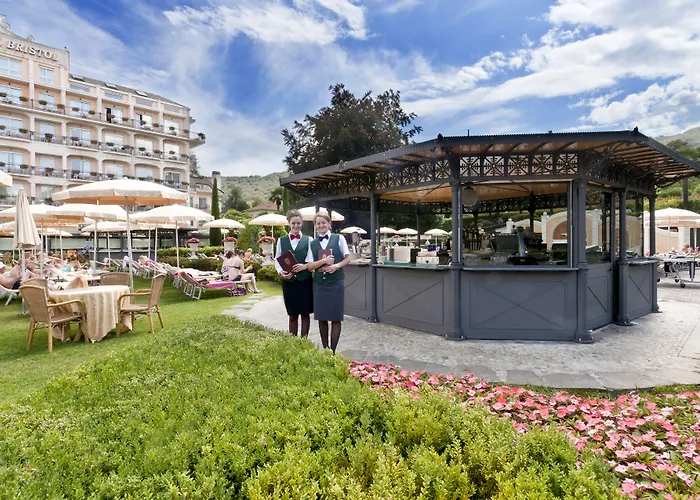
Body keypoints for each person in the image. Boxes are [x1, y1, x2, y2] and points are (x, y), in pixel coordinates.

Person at [308, 212, 351, 353]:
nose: (321, 225)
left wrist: (336, 266)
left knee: (336, 318)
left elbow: (347, 258)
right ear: (315, 226)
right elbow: (310, 266)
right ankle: (325, 350)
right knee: (322, 318)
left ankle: (332, 351)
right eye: (318, 223)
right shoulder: (312, 244)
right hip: (319, 284)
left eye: (323, 223)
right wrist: (323, 262)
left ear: (329, 224)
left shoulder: (339, 238)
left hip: (336, 283)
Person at [274, 209, 313, 338]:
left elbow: (311, 259)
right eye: (293, 223)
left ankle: (304, 340)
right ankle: (293, 341)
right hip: (289, 282)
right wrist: (281, 273)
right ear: (289, 224)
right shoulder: (281, 240)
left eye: (298, 223)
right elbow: (277, 259)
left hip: (305, 281)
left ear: (302, 223)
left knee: (305, 314)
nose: (296, 226)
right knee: (292, 315)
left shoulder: (309, 239)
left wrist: (304, 266)